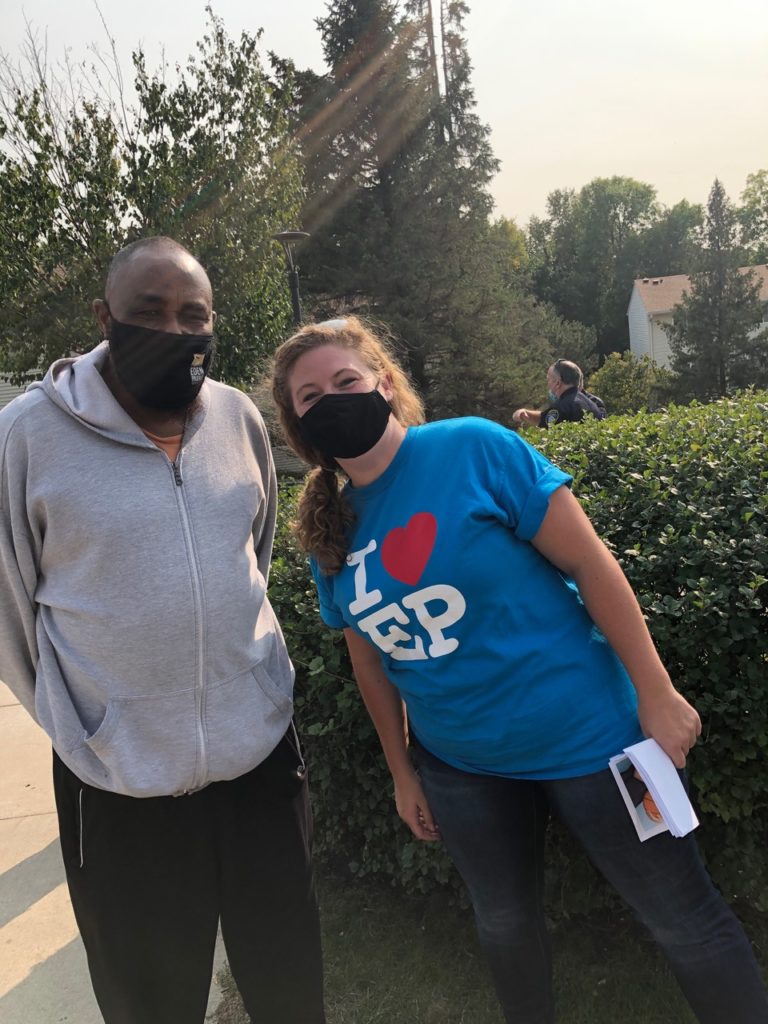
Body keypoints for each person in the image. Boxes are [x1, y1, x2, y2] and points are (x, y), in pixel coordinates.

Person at [268, 316, 768, 1024]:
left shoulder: (474, 448)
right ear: (298, 422)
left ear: (384, 381)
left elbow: (589, 562)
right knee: (503, 923)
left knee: (684, 918)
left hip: (597, 744)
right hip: (462, 768)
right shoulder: (330, 527)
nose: (333, 400)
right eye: (312, 396)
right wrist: (403, 771)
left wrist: (656, 692)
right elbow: (368, 659)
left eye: (346, 380)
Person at [0, 236, 325, 1024]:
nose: (175, 331)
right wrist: (83, 728)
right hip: (120, 785)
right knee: (151, 1004)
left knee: (291, 988)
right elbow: (9, 606)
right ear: (103, 317)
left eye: (193, 315)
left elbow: (251, 556)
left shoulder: (238, 418)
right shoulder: (27, 434)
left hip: (259, 762)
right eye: (149, 312)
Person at [513, 358, 606, 428]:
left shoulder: (562, 407)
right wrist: (525, 413)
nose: (548, 384)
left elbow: (547, 424)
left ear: (557, 383)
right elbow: (544, 417)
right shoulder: (590, 403)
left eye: (549, 380)